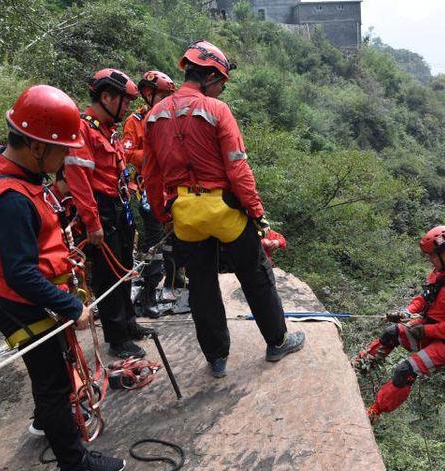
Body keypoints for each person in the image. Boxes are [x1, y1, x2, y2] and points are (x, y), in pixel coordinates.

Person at [0, 85, 125, 471]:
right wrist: (72, 307)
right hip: (24, 304)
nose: (64, 161)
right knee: (53, 380)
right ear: (38, 147)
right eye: (61, 152)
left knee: (49, 372)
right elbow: (20, 273)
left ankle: (44, 420)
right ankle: (74, 463)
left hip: (25, 298)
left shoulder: (11, 173)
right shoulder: (8, 198)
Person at [144, 40, 304, 378]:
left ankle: (217, 359)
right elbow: (238, 168)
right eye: (221, 82)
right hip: (224, 210)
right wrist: (257, 213)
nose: (221, 89)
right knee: (256, 275)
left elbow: (151, 174)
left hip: (185, 212)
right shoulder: (217, 111)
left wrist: (163, 213)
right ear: (211, 76)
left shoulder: (153, 116)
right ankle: (277, 341)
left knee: (201, 286)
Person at [63, 68, 154, 359]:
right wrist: (92, 222)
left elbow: (117, 168)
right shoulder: (83, 130)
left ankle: (128, 323)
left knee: (124, 268)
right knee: (109, 275)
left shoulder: (107, 132)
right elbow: (79, 181)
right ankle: (117, 338)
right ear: (106, 97)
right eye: (124, 101)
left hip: (118, 206)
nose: (127, 107)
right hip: (100, 210)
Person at [353, 225, 445, 424]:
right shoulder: (442, 268)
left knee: (405, 371)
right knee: (391, 333)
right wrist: (406, 312)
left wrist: (422, 329)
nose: (429, 261)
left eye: (431, 256)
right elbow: (424, 298)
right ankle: (361, 367)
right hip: (430, 326)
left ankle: (374, 412)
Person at [122, 70, 176, 318]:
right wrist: (155, 155)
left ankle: (172, 283)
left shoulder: (169, 117)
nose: (165, 99)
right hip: (147, 187)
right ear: (148, 93)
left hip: (170, 186)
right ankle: (148, 294)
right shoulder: (135, 121)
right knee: (153, 239)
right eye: (161, 95)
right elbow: (128, 152)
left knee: (172, 240)